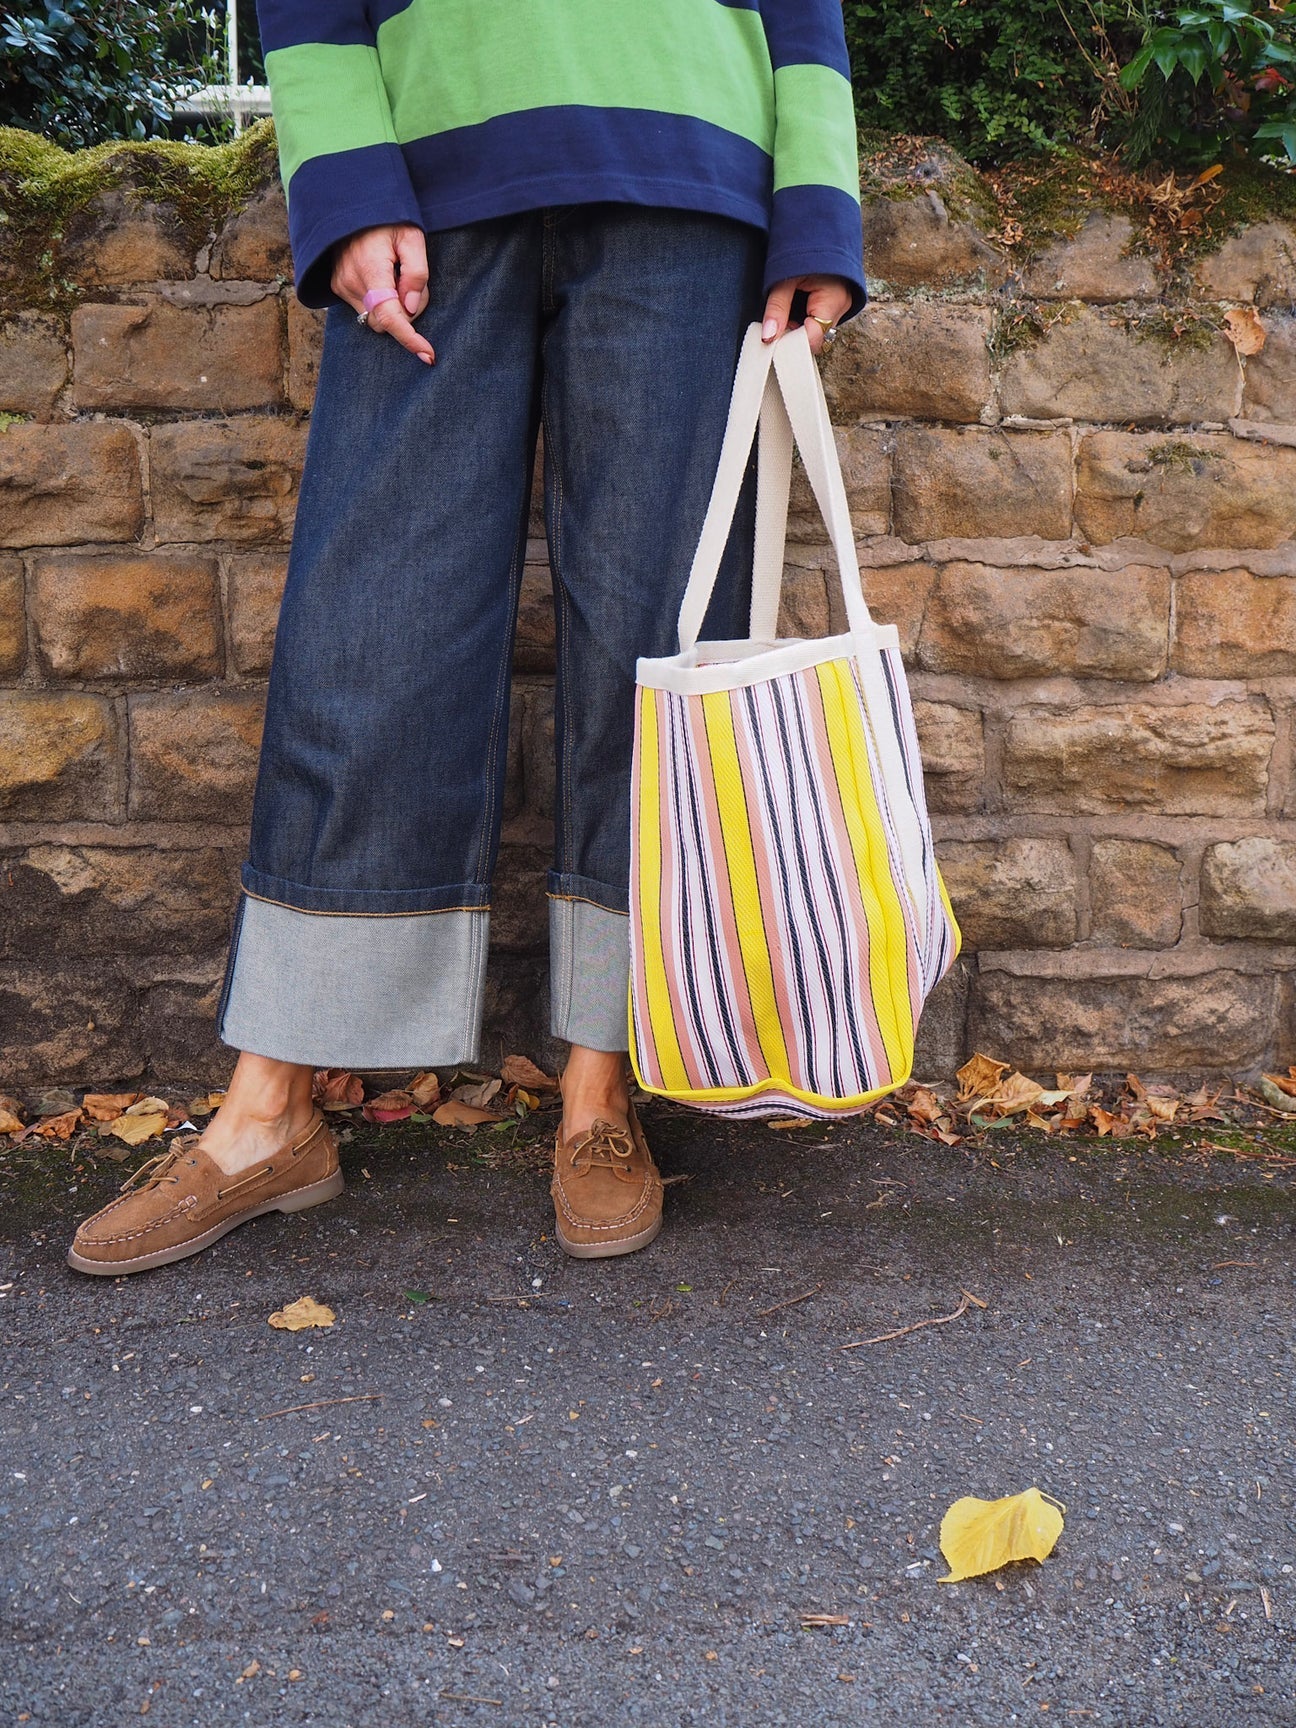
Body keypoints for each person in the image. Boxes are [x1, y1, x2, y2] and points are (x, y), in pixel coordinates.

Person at [68, 0, 865, 1277]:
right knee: (371, 629)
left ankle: (603, 1088)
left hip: (694, 169)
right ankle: (269, 1105)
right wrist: (342, 174)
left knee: (657, 652)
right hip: (432, 175)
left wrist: (818, 204)